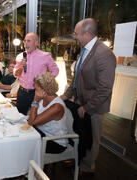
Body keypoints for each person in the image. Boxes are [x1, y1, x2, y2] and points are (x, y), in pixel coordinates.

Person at [60, 18, 116, 175]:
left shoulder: (104, 54)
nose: (74, 36)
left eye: (76, 34)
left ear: (86, 34)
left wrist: (87, 107)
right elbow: (77, 78)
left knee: (93, 138)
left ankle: (87, 167)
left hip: (94, 107)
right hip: (80, 103)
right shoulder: (84, 51)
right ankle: (79, 159)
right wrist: (65, 96)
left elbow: (105, 88)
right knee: (82, 134)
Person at [14, 32, 59, 115]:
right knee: (18, 116)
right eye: (24, 41)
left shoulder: (45, 56)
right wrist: (21, 66)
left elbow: (55, 71)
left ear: (36, 43)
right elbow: (16, 74)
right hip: (22, 92)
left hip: (37, 93)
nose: (25, 44)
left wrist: (45, 84)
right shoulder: (20, 56)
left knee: (35, 118)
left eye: (28, 41)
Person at [28, 72, 73, 153]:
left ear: (44, 90)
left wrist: (35, 101)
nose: (34, 91)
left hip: (55, 142)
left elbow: (32, 122)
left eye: (36, 89)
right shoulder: (43, 99)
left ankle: (31, 165)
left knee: (25, 145)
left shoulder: (57, 107)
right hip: (41, 134)